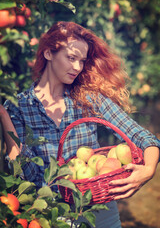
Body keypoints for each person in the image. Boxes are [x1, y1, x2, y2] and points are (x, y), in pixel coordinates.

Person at [0, 21, 160, 228]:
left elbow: (142, 136)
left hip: (99, 215)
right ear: (49, 53)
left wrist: (149, 170)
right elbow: (20, 173)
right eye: (71, 58)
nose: (77, 67)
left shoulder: (88, 98)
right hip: (50, 217)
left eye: (82, 61)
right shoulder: (19, 106)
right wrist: (4, 115)